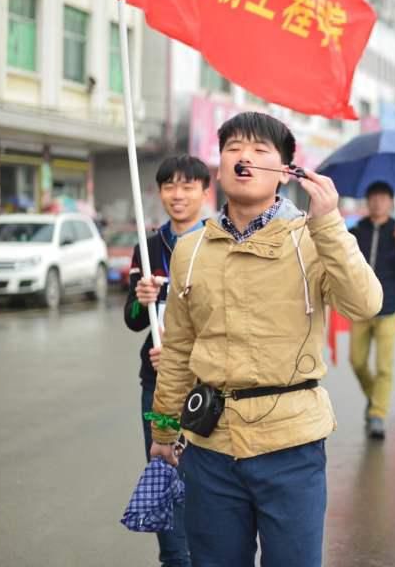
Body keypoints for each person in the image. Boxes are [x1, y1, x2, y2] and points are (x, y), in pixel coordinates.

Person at [147, 112, 382, 567]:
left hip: (291, 445)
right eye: (233, 148)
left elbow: (365, 304)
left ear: (285, 171)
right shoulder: (191, 250)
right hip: (210, 447)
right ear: (219, 167)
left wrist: (330, 224)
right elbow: (177, 350)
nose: (244, 157)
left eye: (259, 150)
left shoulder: (312, 239)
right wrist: (163, 429)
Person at [125, 155, 211, 567]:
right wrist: (141, 300)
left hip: (207, 386)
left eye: (188, 186)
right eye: (169, 186)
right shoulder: (148, 247)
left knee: (206, 477)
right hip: (156, 383)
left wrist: (185, 357)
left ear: (205, 192)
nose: (178, 195)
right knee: (164, 469)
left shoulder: (218, 242)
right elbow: (132, 320)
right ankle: (175, 559)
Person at [348, 180, 395, 439]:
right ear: (368, 202)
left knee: (384, 367)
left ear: (390, 202)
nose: (378, 202)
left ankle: (378, 414)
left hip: (388, 309)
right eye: (374, 198)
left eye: (383, 198)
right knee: (357, 361)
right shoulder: (357, 231)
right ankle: (374, 396)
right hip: (360, 308)